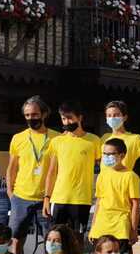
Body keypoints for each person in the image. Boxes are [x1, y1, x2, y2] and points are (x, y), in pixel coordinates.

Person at [7, 96, 59, 254]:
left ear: (44, 114)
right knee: (15, 239)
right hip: (21, 196)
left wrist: (50, 196)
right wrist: (11, 193)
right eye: (27, 115)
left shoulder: (57, 138)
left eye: (35, 114)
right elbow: (11, 168)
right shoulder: (18, 138)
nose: (31, 118)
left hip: (47, 197)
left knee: (51, 241)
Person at [42, 101, 101, 236]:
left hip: (82, 199)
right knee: (54, 238)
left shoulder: (94, 141)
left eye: (69, 118)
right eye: (63, 118)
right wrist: (47, 198)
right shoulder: (56, 141)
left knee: (77, 238)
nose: (66, 122)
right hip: (58, 198)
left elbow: (103, 170)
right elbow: (51, 172)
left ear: (79, 118)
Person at [88, 138, 140, 254]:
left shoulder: (130, 176)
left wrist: (133, 230)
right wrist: (93, 227)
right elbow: (99, 202)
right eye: (105, 154)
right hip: (101, 226)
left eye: (111, 154)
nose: (107, 157)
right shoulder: (102, 175)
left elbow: (135, 205)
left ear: (122, 155)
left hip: (120, 227)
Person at [100, 100, 140, 171]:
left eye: (116, 115)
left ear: (125, 117)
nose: (112, 118)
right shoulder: (104, 138)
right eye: (109, 115)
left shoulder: (135, 138)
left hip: (124, 180)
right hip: (104, 180)